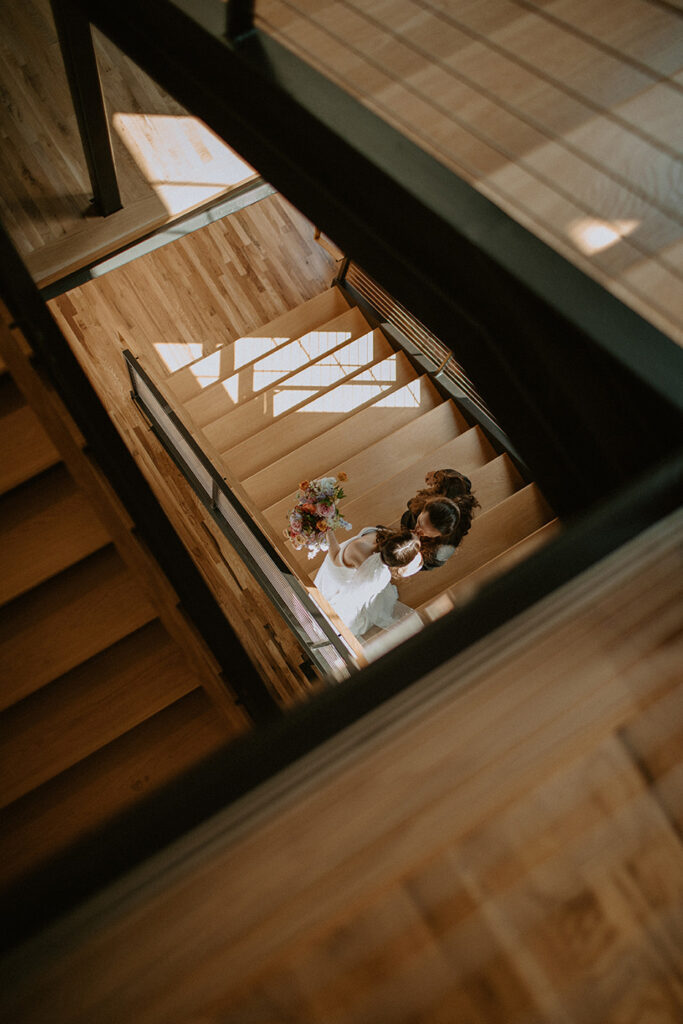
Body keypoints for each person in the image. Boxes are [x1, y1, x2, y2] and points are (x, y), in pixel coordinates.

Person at [314, 526, 422, 638]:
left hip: (335, 576)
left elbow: (335, 556)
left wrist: (328, 531)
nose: (416, 532)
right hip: (347, 582)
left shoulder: (360, 547)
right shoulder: (381, 575)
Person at [400, 468, 480, 571]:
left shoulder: (440, 551)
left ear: (441, 535)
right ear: (427, 505)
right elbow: (461, 480)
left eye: (425, 532)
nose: (417, 530)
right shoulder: (455, 490)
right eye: (420, 522)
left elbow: (425, 565)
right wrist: (436, 475)